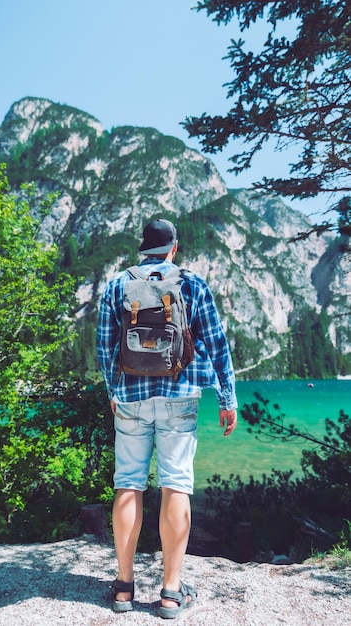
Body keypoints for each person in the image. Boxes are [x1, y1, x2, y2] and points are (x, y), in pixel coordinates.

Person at [96, 218, 237, 619]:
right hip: (180, 395)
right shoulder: (191, 284)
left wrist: (113, 391)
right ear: (173, 248)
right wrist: (227, 398)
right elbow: (217, 342)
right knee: (175, 484)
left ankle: (123, 588)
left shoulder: (117, 284)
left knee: (128, 482)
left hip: (131, 397)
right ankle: (171, 593)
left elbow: (105, 347)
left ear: (144, 249)